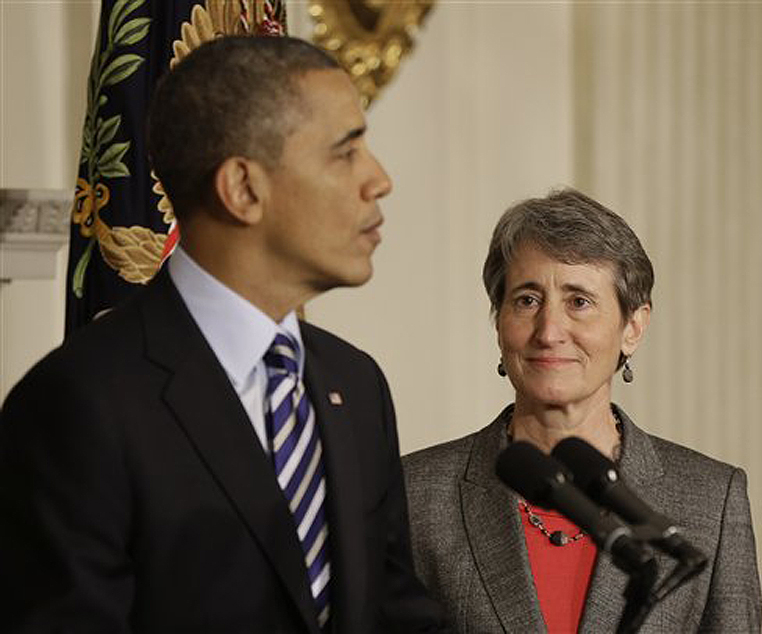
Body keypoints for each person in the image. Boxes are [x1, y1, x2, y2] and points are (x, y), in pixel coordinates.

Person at [0, 35, 447, 633]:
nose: (379, 180)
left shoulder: (356, 384)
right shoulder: (79, 403)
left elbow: (395, 616)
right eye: (346, 153)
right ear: (242, 188)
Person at [403, 189, 761, 632]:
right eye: (527, 300)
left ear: (633, 326)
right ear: (499, 323)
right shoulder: (415, 494)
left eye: (579, 302)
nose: (549, 331)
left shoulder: (712, 498)